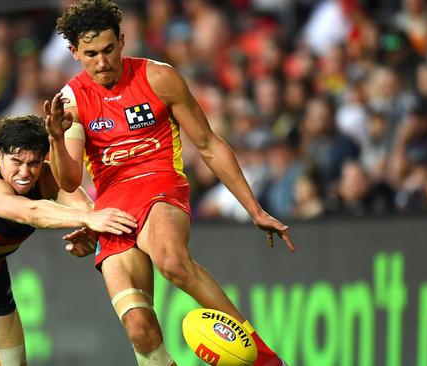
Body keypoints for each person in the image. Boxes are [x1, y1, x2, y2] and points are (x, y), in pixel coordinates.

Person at [43, 1, 296, 365]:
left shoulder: (159, 78)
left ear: (123, 41)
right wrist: (55, 140)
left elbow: (208, 144)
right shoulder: (72, 99)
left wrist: (253, 209)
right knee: (140, 330)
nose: (102, 63)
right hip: (112, 207)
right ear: (74, 53)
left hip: (159, 184)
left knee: (172, 261)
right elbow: (68, 181)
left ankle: (265, 360)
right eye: (91, 54)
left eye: (109, 50)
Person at [0, 114, 137, 366]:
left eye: (33, 163)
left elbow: (82, 203)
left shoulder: (45, 178)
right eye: (16, 162)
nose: (25, 173)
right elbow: (31, 212)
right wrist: (87, 218)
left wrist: (89, 227)